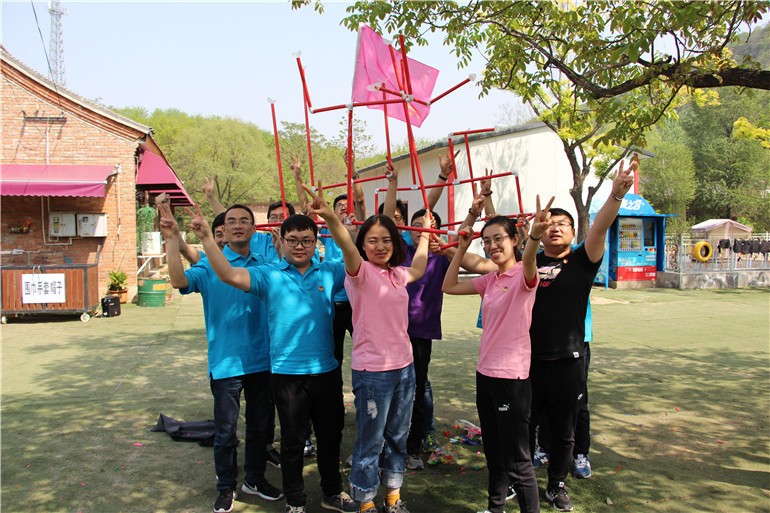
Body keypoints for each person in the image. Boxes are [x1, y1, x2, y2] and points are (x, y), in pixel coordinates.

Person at [187, 206, 357, 513]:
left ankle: (332, 492)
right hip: (287, 375)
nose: (299, 246)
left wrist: (333, 219)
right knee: (292, 442)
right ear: (283, 241)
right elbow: (228, 274)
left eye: (306, 240)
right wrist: (206, 239)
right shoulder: (269, 275)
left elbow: (352, 255)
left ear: (316, 242)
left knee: (330, 437)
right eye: (293, 240)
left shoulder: (329, 272)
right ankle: (295, 501)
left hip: (326, 372)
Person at [306, 182, 431, 513]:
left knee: (398, 435)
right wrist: (331, 217)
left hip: (404, 368)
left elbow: (419, 267)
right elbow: (345, 244)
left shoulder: (397, 274)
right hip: (373, 372)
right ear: (362, 244)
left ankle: (393, 496)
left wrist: (425, 235)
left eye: (386, 239)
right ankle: (365, 501)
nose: (380, 246)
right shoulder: (359, 273)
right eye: (372, 240)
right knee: (370, 439)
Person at [159, 202, 283, 513]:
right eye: (232, 221)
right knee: (226, 432)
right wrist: (172, 239)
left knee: (259, 427)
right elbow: (179, 281)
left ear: (254, 229)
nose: (238, 225)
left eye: (244, 221)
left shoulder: (266, 264)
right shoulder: (209, 265)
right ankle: (226, 485)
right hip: (226, 363)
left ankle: (254, 479)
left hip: (262, 360)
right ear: (223, 230)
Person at [528, 160, 635, 512]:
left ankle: (556, 485)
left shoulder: (582, 261)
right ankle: (520, 480)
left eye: (563, 224)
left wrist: (615, 195)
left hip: (569, 360)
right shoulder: (527, 261)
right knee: (525, 425)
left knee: (564, 430)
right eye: (549, 224)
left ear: (574, 233)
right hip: (527, 360)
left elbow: (600, 227)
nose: (555, 229)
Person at [442, 196, 553, 513]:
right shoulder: (490, 280)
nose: (492, 246)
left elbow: (529, 260)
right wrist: (462, 247)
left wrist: (535, 236)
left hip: (511, 378)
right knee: (493, 449)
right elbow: (449, 286)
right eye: (487, 241)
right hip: (486, 373)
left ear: (514, 239)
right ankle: (495, 508)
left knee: (517, 459)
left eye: (499, 239)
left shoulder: (524, 275)